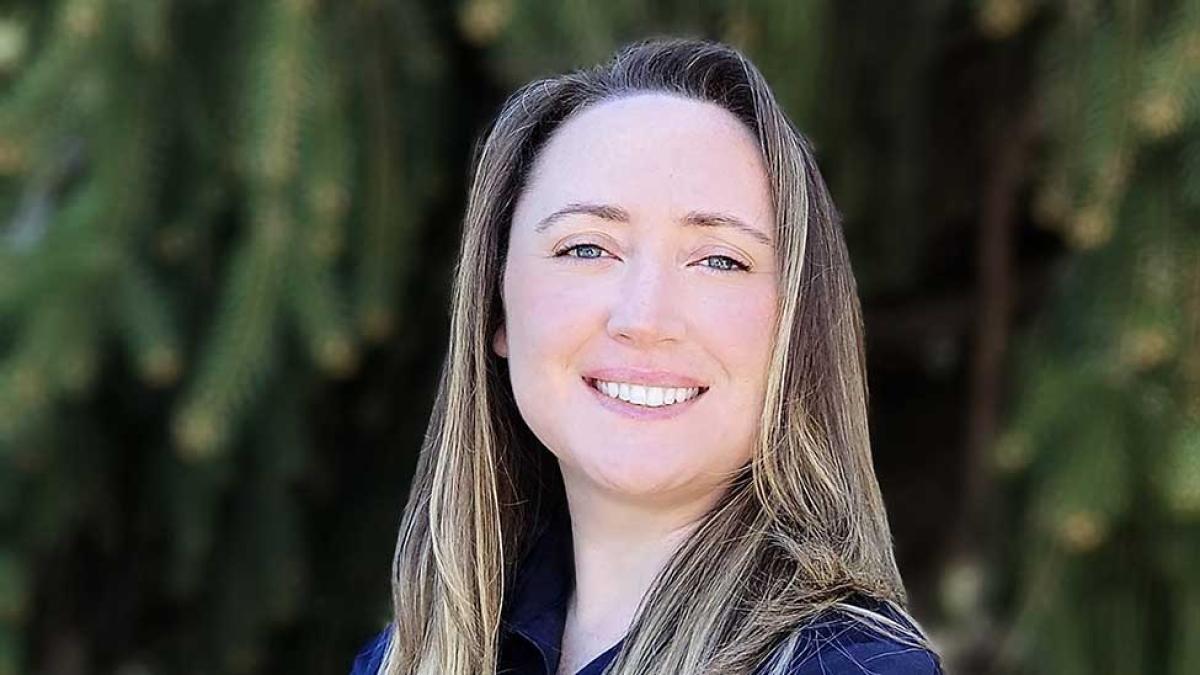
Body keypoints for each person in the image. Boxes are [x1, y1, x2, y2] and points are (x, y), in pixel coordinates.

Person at [350, 37, 944, 675]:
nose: (645, 319)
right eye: (587, 249)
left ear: (796, 328)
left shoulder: (851, 669)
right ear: (496, 307)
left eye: (720, 260)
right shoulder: (407, 657)